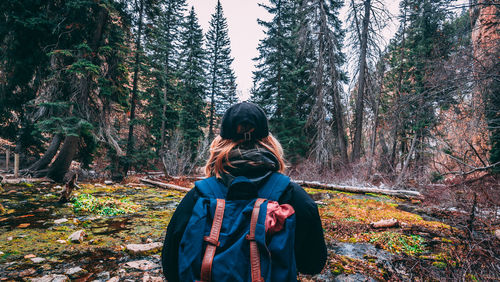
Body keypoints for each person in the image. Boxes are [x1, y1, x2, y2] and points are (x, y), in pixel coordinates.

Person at [161, 101, 327, 281]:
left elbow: (171, 267)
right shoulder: (293, 195)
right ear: (268, 142)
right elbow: (313, 264)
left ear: (221, 143)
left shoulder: (198, 195)